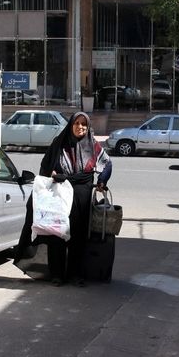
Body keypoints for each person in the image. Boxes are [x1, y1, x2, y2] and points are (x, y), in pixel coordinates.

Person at [14, 112, 112, 287]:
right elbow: (45, 166)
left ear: (88, 127)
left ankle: (75, 274)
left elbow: (107, 164)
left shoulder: (94, 145)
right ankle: (57, 274)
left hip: (82, 196)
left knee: (78, 235)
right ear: (71, 125)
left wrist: (101, 182)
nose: (80, 127)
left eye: (84, 124)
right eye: (77, 123)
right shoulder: (59, 143)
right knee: (56, 234)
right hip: (59, 193)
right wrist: (52, 174)